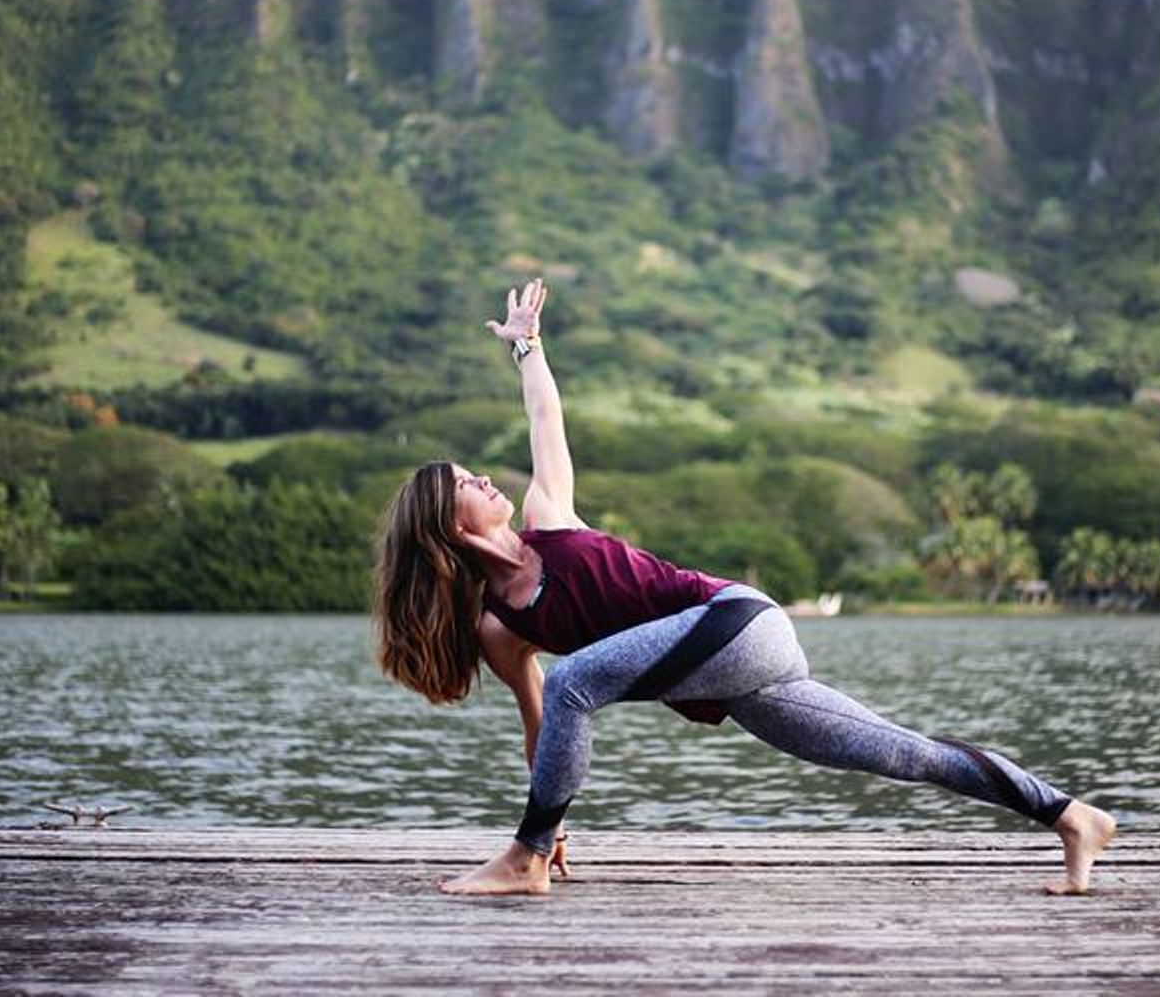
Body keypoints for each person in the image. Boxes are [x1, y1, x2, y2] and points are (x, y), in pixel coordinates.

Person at [371, 278, 1115, 896]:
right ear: (447, 526)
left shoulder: (548, 516)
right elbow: (543, 727)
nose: (484, 477)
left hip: (738, 621)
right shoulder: (500, 627)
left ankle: (524, 861)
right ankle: (1071, 816)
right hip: (734, 679)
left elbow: (544, 417)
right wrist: (555, 812)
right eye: (465, 482)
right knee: (899, 753)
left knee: (575, 679)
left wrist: (528, 345)